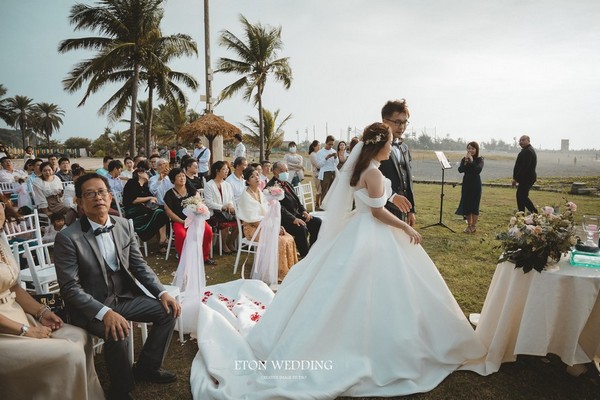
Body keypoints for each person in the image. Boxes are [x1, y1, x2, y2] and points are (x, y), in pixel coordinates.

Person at [189, 122, 488, 399]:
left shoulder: (365, 168)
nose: (392, 145)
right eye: (390, 142)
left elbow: (374, 198)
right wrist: (405, 225)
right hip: (372, 232)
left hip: (357, 231)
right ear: (379, 145)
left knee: (350, 286)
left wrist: (393, 197)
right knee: (378, 287)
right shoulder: (371, 171)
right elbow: (375, 211)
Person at [54, 173, 181, 399]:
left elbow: (139, 266)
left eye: (102, 192)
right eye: (90, 194)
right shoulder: (68, 237)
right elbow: (70, 288)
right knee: (117, 330)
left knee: (167, 312)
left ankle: (147, 367)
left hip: (123, 297)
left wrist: (162, 292)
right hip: (91, 308)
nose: (98, 198)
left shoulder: (123, 225)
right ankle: (121, 390)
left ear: (110, 197)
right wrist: (105, 313)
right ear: (80, 202)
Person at [0, 206, 105, 400]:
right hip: (5, 330)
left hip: (18, 314)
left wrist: (41, 312)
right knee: (69, 353)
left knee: (80, 336)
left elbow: (14, 288)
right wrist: (27, 330)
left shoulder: (1, 242)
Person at [237, 167, 298, 281]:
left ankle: (289, 269)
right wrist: (272, 228)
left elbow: (267, 213)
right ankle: (278, 273)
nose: (256, 178)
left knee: (288, 237)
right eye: (252, 176)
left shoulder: (260, 192)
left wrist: (274, 226)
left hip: (265, 225)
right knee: (279, 240)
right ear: (247, 181)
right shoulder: (245, 196)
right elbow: (252, 219)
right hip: (252, 229)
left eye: (257, 175)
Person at [162, 168, 216, 265]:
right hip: (179, 221)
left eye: (183, 176)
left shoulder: (192, 190)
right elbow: (169, 212)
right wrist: (182, 221)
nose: (182, 178)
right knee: (181, 234)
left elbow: (199, 204)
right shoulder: (169, 194)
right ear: (173, 180)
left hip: (195, 220)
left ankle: (204, 257)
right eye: (179, 176)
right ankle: (184, 258)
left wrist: (197, 214)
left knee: (208, 231)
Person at [267, 161, 321, 257]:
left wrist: (304, 211)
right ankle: (305, 255)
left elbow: (298, 201)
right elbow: (278, 208)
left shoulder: (287, 184)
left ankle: (312, 250)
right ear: (275, 172)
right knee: (301, 229)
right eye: (282, 170)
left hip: (297, 214)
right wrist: (293, 219)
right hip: (284, 220)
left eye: (286, 170)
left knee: (317, 222)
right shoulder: (270, 187)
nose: (285, 172)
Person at [379, 99, 416, 226]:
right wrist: (392, 197)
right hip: (382, 209)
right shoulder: (374, 148)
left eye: (405, 122)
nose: (402, 127)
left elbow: (408, 180)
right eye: (397, 122)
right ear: (384, 121)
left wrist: (411, 210)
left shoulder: (404, 148)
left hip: (402, 210)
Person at [122, 167, 170, 248]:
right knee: (160, 212)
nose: (148, 174)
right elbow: (133, 200)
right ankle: (163, 240)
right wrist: (149, 198)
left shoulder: (145, 186)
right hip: (133, 211)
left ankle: (162, 240)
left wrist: (152, 200)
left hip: (144, 210)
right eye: (146, 172)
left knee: (161, 211)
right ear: (139, 174)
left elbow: (150, 197)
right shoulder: (132, 183)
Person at [204, 161, 238, 254]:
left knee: (240, 222)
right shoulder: (209, 185)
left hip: (227, 212)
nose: (226, 171)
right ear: (217, 171)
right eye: (224, 169)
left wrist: (230, 205)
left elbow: (231, 198)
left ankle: (230, 242)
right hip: (214, 213)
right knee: (225, 224)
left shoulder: (227, 184)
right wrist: (222, 207)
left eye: (227, 169)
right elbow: (209, 202)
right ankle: (223, 245)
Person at [455, 142, 484, 233]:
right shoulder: (464, 159)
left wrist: (472, 161)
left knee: (474, 205)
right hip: (466, 183)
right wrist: (466, 162)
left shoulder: (480, 159)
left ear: (476, 150)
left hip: (475, 184)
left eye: (472, 149)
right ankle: (468, 225)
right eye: (469, 148)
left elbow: (477, 170)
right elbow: (460, 170)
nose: (470, 150)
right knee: (467, 204)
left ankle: (473, 226)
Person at [512, 135, 538, 214]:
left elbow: (524, 167)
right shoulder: (526, 150)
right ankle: (523, 213)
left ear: (528, 141)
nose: (521, 142)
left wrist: (516, 178)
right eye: (520, 140)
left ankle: (531, 212)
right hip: (525, 178)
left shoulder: (528, 151)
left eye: (523, 140)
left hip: (527, 178)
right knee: (522, 196)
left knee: (521, 196)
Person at [316, 135, 338, 200]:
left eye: (332, 144)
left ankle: (331, 207)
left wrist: (336, 158)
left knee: (332, 191)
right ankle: (323, 207)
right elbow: (319, 165)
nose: (330, 146)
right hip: (325, 173)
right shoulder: (320, 152)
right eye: (329, 144)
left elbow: (336, 163)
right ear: (326, 142)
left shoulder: (334, 151)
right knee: (325, 191)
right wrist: (326, 158)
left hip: (333, 172)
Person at [308, 140, 322, 209]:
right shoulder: (312, 154)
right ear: (313, 146)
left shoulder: (319, 153)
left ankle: (319, 204)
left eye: (319, 145)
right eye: (317, 146)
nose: (319, 147)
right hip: (317, 173)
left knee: (321, 189)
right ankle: (317, 204)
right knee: (319, 190)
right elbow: (318, 165)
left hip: (321, 173)